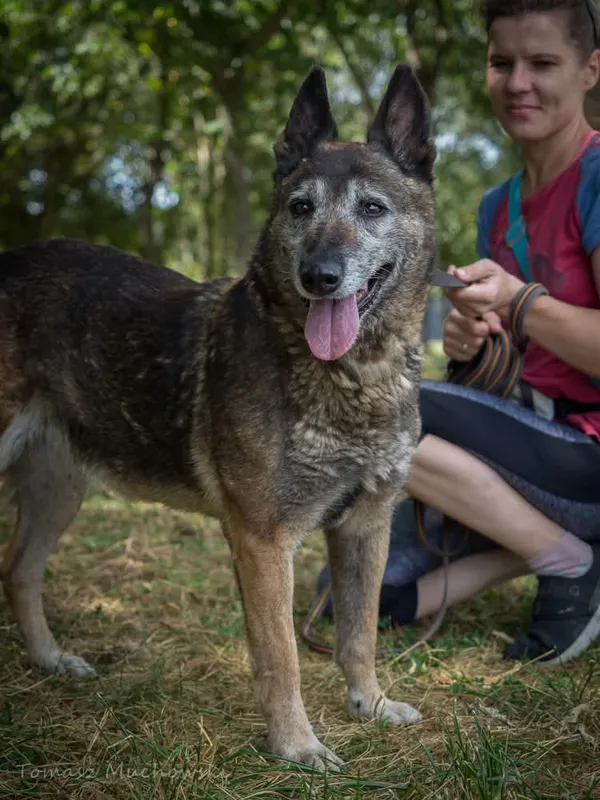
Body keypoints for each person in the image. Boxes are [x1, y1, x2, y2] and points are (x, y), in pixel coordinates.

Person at [316, 0, 600, 664]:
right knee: (353, 594)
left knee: (374, 407)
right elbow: (518, 344)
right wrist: (481, 339)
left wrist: (520, 300)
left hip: (584, 454)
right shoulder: (496, 207)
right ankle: (553, 545)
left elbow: (534, 312)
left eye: (543, 63)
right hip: (523, 446)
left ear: (591, 70)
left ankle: (567, 564)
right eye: (503, 63)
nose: (518, 82)